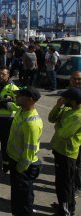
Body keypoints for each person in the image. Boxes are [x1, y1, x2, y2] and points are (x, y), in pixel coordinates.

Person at [7, 87, 43, 216]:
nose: (16, 98)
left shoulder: (31, 123)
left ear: (30, 99)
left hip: (24, 167)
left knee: (24, 200)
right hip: (16, 161)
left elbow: (29, 151)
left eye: (19, 96)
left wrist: (20, 169)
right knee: (18, 197)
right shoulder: (21, 111)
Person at [48, 87, 81, 216]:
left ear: (73, 101)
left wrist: (58, 125)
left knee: (65, 184)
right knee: (62, 182)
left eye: (65, 98)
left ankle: (65, 211)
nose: (63, 99)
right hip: (59, 150)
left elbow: (62, 133)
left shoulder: (78, 116)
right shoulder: (68, 109)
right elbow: (51, 118)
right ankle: (66, 205)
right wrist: (57, 106)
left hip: (67, 153)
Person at [70, 71, 81, 196]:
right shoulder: (71, 92)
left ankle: (77, 186)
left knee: (78, 163)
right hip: (71, 133)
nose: (77, 81)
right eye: (74, 79)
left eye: (79, 79)